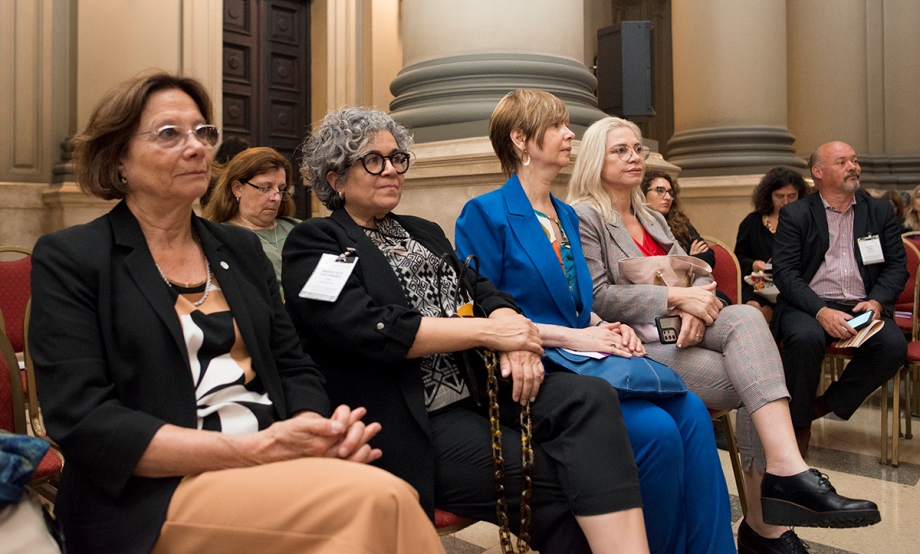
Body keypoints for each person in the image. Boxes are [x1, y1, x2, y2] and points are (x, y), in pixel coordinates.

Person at [28, 72, 444, 554]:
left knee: (379, 502)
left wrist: (312, 431)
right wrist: (255, 450)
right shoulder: (75, 257)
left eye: (203, 133)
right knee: (381, 500)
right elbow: (83, 421)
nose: (197, 147)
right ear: (118, 158)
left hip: (272, 460)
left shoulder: (239, 248)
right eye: (169, 134)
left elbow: (294, 365)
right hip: (152, 491)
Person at [282, 107, 650, 554]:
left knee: (591, 397)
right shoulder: (315, 242)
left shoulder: (422, 232)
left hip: (480, 393)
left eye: (398, 158)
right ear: (335, 177)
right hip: (413, 420)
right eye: (373, 161)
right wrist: (490, 335)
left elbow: (484, 289)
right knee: (554, 478)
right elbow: (377, 331)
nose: (391, 171)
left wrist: (510, 333)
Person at [567, 117, 883, 554]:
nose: (635, 157)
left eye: (638, 148)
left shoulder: (650, 216)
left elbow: (698, 272)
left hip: (685, 331)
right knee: (758, 380)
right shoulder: (585, 217)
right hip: (641, 345)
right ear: (594, 160)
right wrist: (678, 302)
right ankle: (764, 525)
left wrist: (697, 302)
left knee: (750, 324)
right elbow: (598, 297)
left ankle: (785, 475)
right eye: (620, 150)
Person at [455, 89, 735, 554]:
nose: (570, 135)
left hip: (587, 355)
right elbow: (486, 316)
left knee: (691, 416)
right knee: (658, 432)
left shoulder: (566, 214)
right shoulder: (485, 214)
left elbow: (581, 302)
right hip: (534, 365)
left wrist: (609, 324)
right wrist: (579, 333)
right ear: (521, 140)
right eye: (557, 127)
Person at [772, 141, 908, 458]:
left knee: (892, 345)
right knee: (804, 338)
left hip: (862, 307)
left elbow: (896, 266)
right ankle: (797, 425)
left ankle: (825, 404)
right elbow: (786, 273)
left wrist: (877, 302)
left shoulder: (879, 211)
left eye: (855, 161)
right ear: (818, 173)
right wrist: (820, 311)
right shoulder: (796, 214)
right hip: (810, 305)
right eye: (842, 162)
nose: (853, 167)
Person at [202, 146, 301, 288]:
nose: (277, 197)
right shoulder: (219, 238)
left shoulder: (299, 229)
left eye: (281, 189)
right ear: (237, 188)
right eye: (265, 188)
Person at [735, 167, 809, 322]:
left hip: (797, 285)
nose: (786, 202)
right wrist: (753, 264)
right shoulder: (753, 222)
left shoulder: (807, 221)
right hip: (761, 287)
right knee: (753, 309)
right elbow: (738, 258)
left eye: (792, 196)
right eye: (779, 196)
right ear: (769, 196)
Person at [641, 170, 715, 267]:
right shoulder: (638, 224)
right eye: (660, 191)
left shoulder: (679, 221)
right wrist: (690, 259)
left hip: (695, 280)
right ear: (643, 193)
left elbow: (709, 256)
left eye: (670, 193)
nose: (668, 197)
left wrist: (687, 261)